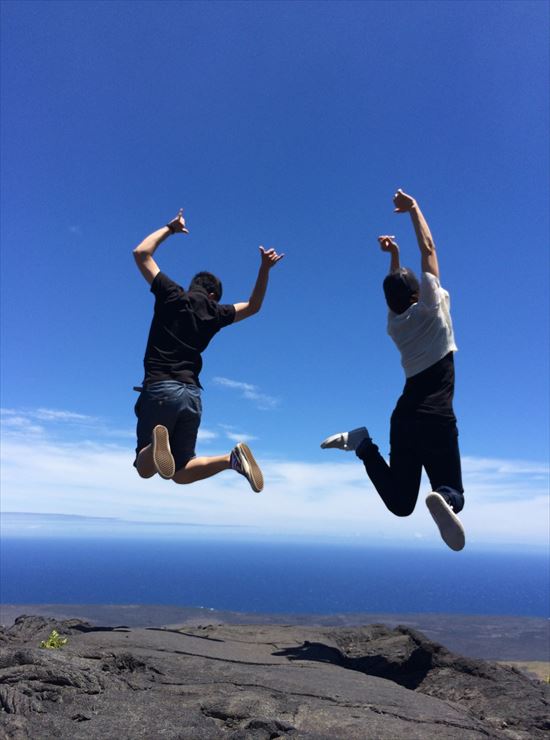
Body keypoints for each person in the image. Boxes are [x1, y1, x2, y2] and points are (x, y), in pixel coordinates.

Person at [321, 190, 465, 550]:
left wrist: (394, 257)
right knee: (451, 491)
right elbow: (429, 250)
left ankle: (363, 444)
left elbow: (397, 291)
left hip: (405, 418)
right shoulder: (432, 308)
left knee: (402, 504)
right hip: (435, 415)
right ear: (420, 291)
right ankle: (444, 498)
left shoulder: (396, 325)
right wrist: (414, 209)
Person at [132, 209, 284, 492]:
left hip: (160, 389)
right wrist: (264, 269)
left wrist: (171, 228)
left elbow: (141, 253)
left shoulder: (172, 294)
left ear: (195, 286)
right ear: (214, 295)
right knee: (180, 470)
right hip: (191, 396)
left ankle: (155, 444)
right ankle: (231, 460)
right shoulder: (215, 312)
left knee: (145, 470)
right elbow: (253, 306)